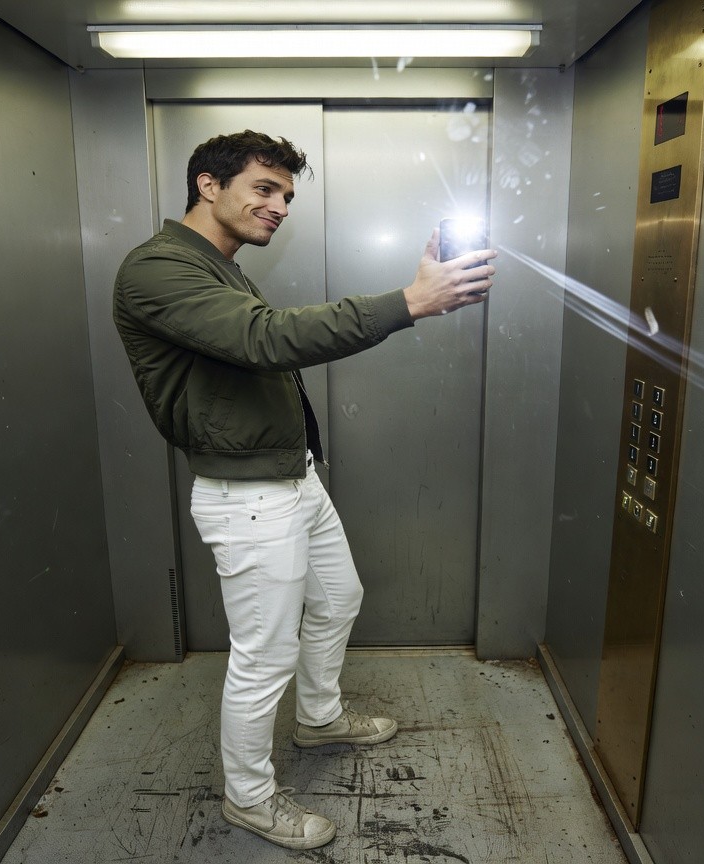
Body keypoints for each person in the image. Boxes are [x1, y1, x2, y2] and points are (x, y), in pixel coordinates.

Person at [112, 129, 496, 850]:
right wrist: (408, 302)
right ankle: (249, 799)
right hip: (246, 493)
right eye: (264, 188)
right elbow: (267, 340)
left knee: (340, 598)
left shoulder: (221, 267)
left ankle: (318, 717)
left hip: (290, 478)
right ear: (207, 184)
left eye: (287, 194)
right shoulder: (157, 270)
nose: (280, 206)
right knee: (263, 657)